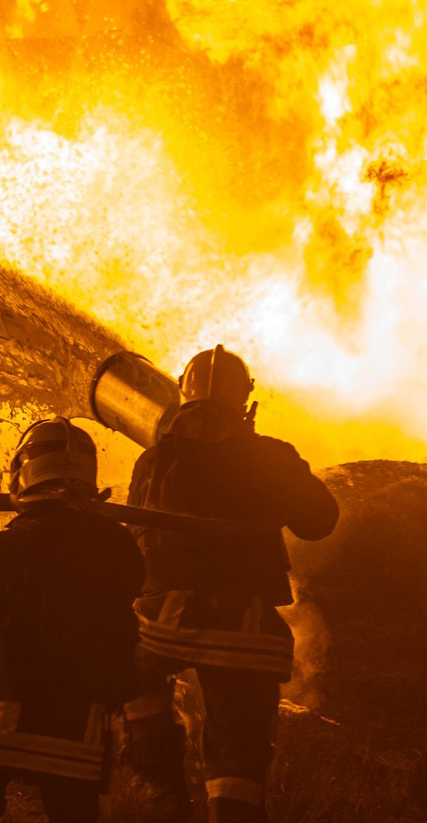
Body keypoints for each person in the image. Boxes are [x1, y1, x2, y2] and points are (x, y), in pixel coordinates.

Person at [119, 346, 340, 823]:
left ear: (185, 395)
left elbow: (139, 546)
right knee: (238, 766)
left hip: (159, 626)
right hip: (244, 632)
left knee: (132, 680)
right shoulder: (270, 455)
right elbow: (320, 522)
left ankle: (161, 787)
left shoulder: (152, 459)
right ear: (244, 400)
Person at [0, 417, 145, 823]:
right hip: (81, 717)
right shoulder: (119, 544)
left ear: (22, 475)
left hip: (4, 707)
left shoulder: (10, 545)